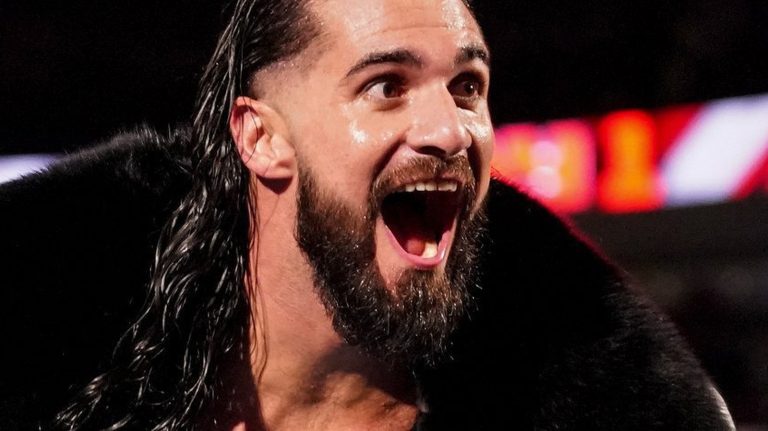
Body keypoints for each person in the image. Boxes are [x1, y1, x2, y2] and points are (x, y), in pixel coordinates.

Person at [0, 0, 735, 429]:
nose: (450, 131)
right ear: (260, 137)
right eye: (387, 85)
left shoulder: (606, 408)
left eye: (468, 85)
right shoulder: (51, 356)